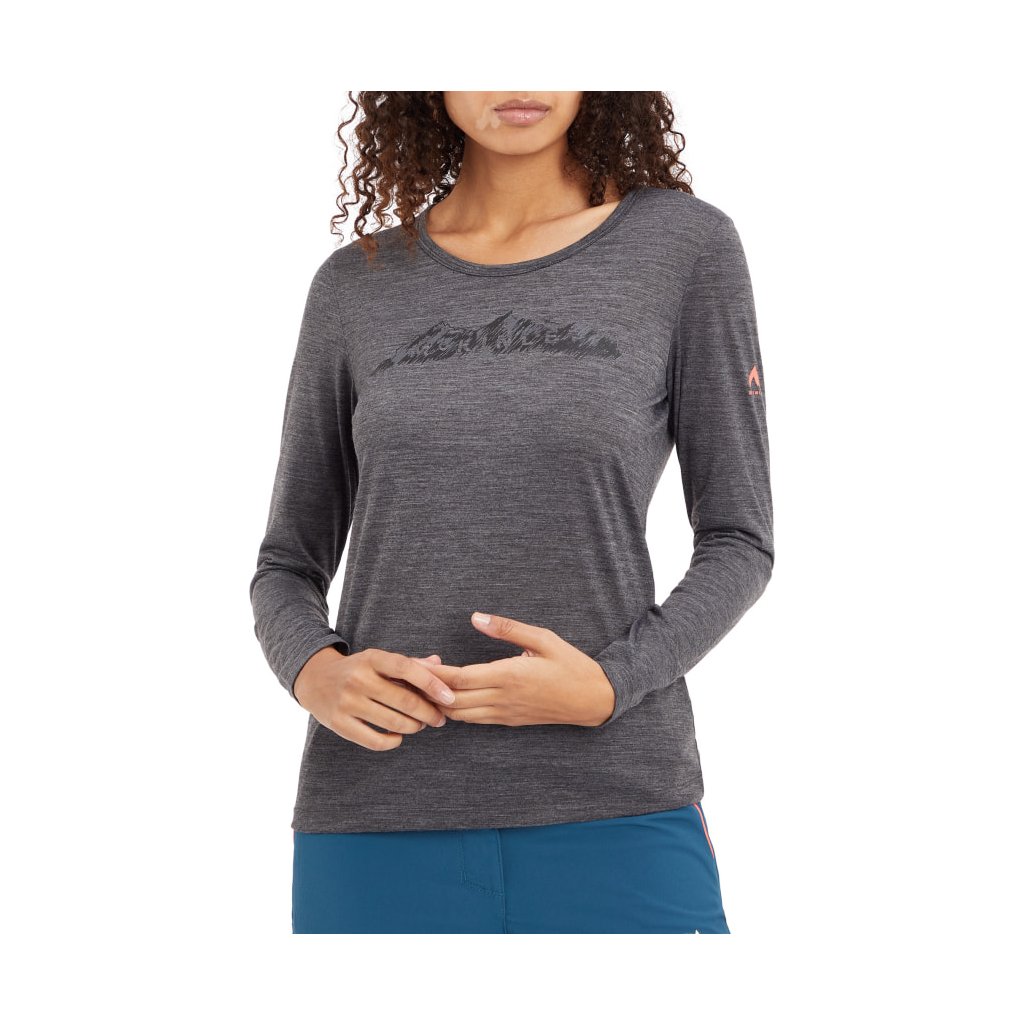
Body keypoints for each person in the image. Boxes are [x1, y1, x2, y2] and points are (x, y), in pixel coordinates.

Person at [249, 91, 774, 933]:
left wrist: (611, 684)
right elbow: (287, 562)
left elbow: (739, 539)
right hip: (377, 816)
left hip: (615, 809)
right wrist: (315, 670)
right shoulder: (355, 285)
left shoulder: (683, 248)